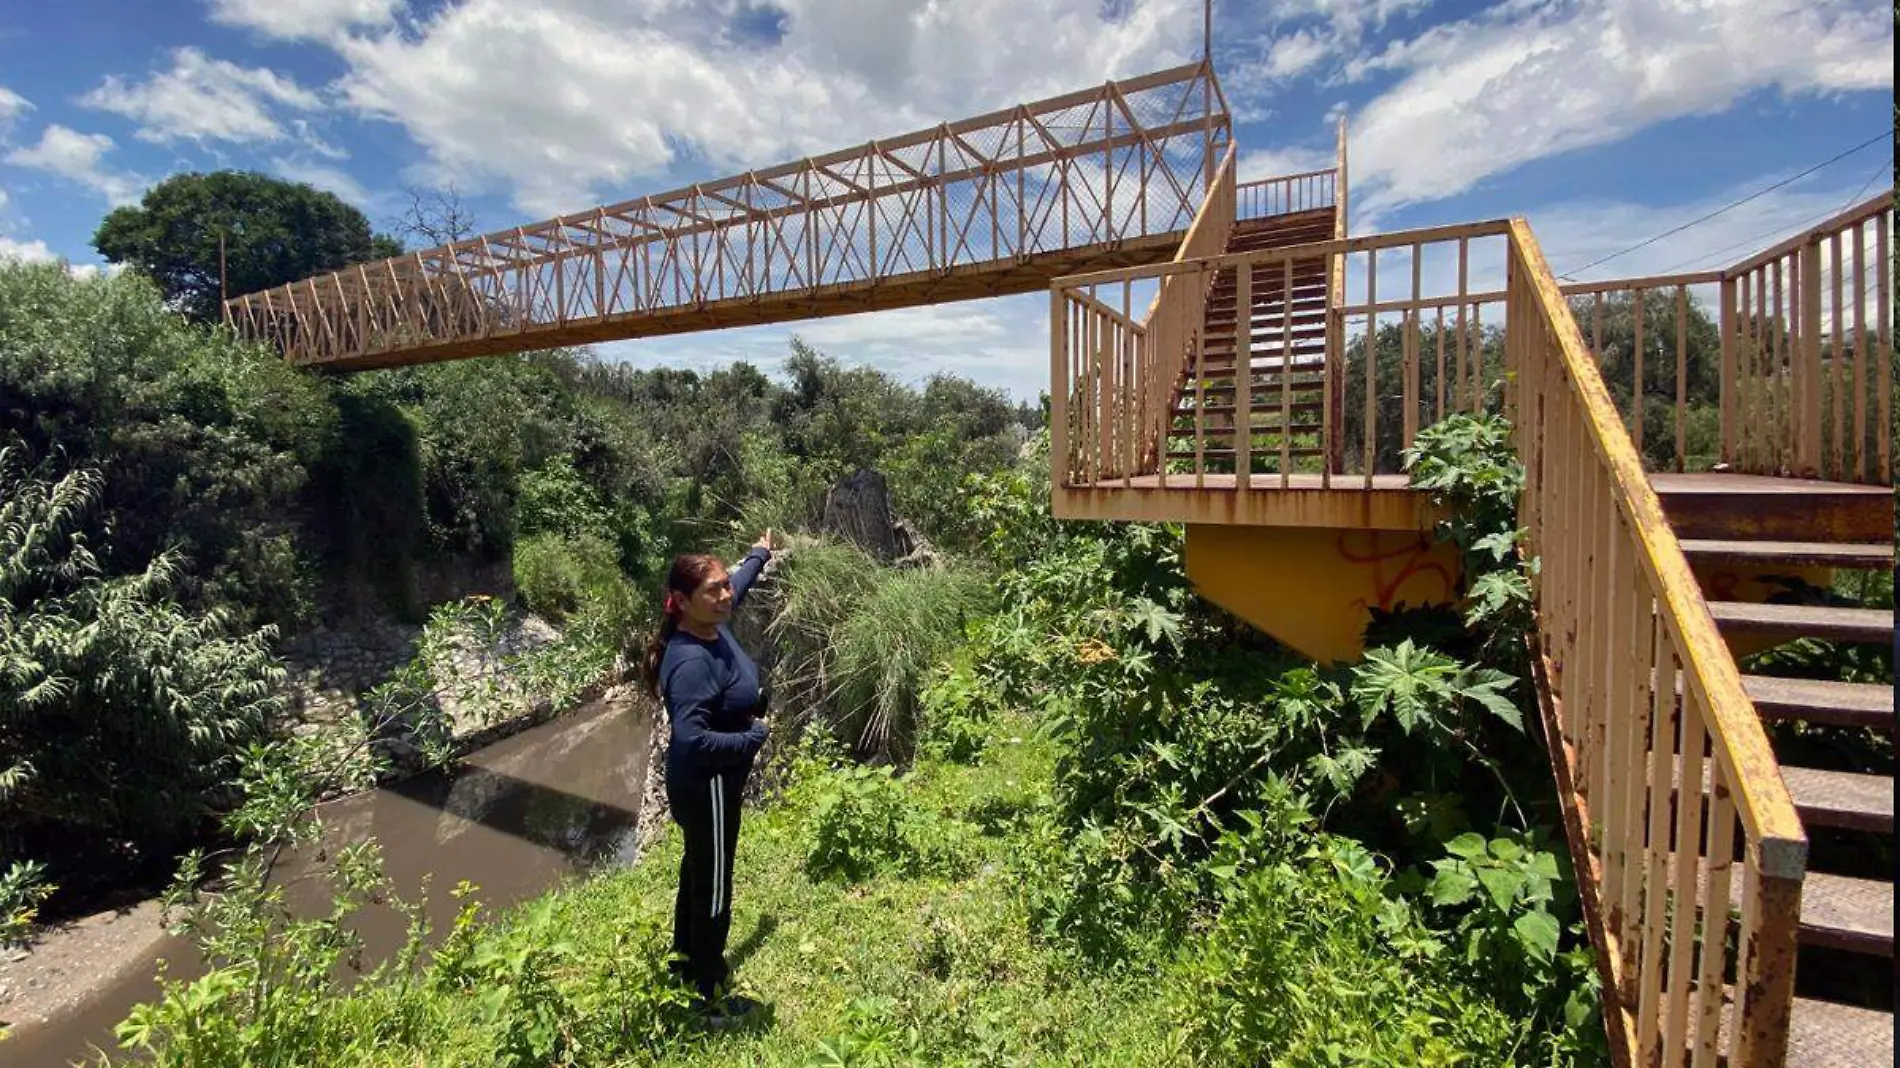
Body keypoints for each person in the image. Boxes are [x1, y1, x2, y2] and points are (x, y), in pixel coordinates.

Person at [642, 530, 775, 1022]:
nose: (725, 596)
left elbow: (738, 581)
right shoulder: (691, 660)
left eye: (724, 586)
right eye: (713, 590)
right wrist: (751, 739)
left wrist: (759, 555)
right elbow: (692, 740)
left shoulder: (710, 620)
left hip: (708, 782)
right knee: (715, 885)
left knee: (698, 870)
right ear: (680, 603)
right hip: (709, 782)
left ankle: (682, 964)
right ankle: (708, 995)